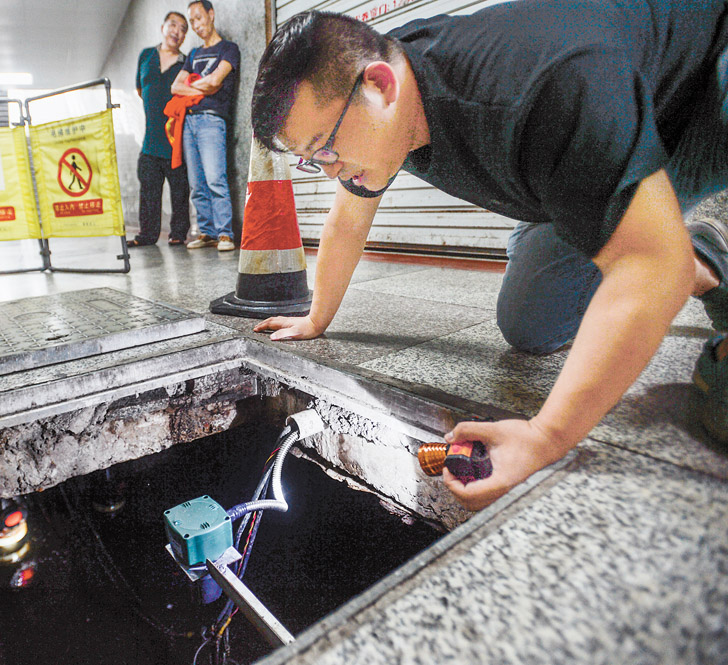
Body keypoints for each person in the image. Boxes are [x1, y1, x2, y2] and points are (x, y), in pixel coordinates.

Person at [249, 3, 728, 510]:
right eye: (309, 158)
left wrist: (546, 436)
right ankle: (695, 253)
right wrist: (317, 317)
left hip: (697, 102)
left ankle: (675, 241)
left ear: (380, 86)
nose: (327, 170)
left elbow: (649, 268)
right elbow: (348, 218)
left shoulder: (542, 87)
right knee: (532, 323)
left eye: (325, 147)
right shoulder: (385, 94)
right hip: (592, 154)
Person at [171, 0, 240, 252]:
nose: (196, 25)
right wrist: (204, 83)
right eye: (192, 21)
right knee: (196, 183)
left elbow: (216, 80)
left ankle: (225, 234)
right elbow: (175, 87)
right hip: (189, 121)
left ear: (211, 15)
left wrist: (194, 84)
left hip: (212, 119)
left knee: (215, 179)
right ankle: (207, 231)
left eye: (199, 18)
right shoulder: (193, 54)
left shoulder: (228, 49)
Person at [130, 11, 192, 248]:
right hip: (150, 140)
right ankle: (146, 235)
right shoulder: (146, 55)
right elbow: (139, 89)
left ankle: (178, 234)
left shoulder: (185, 63)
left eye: (183, 29)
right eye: (173, 25)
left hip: (175, 140)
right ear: (163, 27)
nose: (177, 31)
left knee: (179, 191)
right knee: (148, 190)